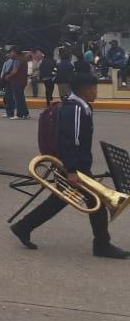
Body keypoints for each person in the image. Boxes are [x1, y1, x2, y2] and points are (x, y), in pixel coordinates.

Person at [10, 74, 129, 259]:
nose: (96, 92)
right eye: (95, 89)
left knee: (62, 200)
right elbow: (69, 141)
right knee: (94, 204)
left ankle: (23, 227)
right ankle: (102, 245)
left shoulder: (80, 106)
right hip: (75, 166)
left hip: (75, 165)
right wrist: (72, 170)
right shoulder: (75, 109)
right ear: (85, 89)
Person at [5, 49, 30, 120]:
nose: (10, 54)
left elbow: (14, 71)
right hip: (22, 82)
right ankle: (25, 113)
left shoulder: (18, 60)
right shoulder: (24, 60)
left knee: (18, 99)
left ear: (15, 52)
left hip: (16, 82)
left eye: (11, 52)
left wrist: (8, 76)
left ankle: (20, 115)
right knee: (21, 98)